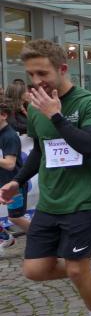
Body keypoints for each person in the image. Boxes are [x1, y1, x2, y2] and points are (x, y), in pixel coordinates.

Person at [0, 40, 91, 316]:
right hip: (51, 201)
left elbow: (89, 146)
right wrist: (17, 181)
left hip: (85, 199)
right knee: (34, 270)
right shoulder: (37, 108)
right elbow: (41, 150)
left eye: (43, 73)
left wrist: (57, 117)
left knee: (76, 268)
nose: (36, 81)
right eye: (31, 74)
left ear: (62, 69)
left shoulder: (90, 103)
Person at [0, 99, 30, 251]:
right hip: (2, 183)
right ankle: (5, 237)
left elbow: (10, 164)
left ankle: (44, 238)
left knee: (15, 217)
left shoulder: (9, 136)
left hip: (14, 184)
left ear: (3, 115)